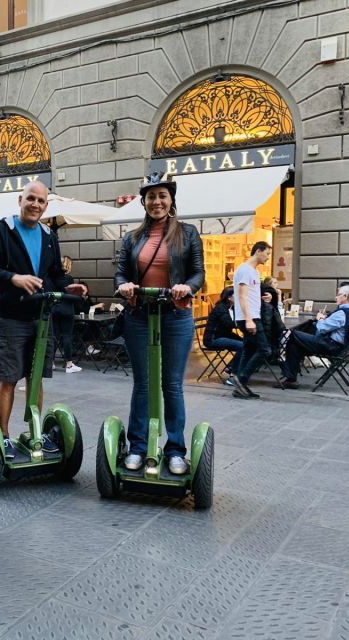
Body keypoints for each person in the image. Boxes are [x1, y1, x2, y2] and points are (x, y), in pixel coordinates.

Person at [0, 180, 87, 460]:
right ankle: (2, 437)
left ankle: (35, 433)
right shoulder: (3, 230)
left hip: (42, 317)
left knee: (35, 378)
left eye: (41, 201)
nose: (35, 205)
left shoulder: (49, 234)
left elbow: (54, 274)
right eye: (31, 199)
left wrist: (69, 286)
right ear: (20, 200)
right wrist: (13, 278)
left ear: (46, 205)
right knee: (8, 378)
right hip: (12, 317)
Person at [114, 172, 204, 474]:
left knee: (172, 385)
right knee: (142, 384)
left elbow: (197, 273)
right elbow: (120, 272)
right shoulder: (132, 237)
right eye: (151, 197)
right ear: (144, 201)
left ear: (171, 199)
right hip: (140, 315)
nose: (157, 201)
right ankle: (138, 446)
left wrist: (187, 287)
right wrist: (124, 285)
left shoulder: (188, 233)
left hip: (176, 315)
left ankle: (175, 449)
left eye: (162, 196)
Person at [279, 284, 349, 388]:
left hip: (330, 346)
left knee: (294, 334)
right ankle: (290, 379)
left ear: (346, 296)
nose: (336, 297)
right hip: (341, 347)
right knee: (295, 344)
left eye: (338, 295)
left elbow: (321, 328)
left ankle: (286, 370)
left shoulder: (342, 313)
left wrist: (320, 319)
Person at [229, 241, 272, 400]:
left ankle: (241, 388)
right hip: (250, 317)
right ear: (259, 251)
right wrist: (248, 319)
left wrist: (263, 297)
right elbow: (242, 296)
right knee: (264, 350)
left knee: (249, 349)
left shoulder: (252, 271)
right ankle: (241, 379)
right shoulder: (245, 270)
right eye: (267, 253)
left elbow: (249, 294)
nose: (267, 258)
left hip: (252, 315)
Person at [203, 286, 242, 383]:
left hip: (224, 335)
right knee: (243, 346)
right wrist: (245, 322)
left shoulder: (231, 308)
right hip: (213, 339)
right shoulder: (221, 308)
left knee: (249, 344)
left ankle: (231, 369)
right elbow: (229, 323)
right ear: (229, 297)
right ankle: (232, 375)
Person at [50, 256, 82, 373]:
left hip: (54, 309)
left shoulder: (52, 279)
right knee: (67, 336)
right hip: (67, 309)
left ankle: (51, 362)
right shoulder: (69, 279)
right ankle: (69, 364)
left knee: (54, 336)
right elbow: (71, 294)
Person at [260, 283, 285, 364]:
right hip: (273, 338)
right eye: (274, 282)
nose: (276, 284)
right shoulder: (271, 306)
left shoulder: (267, 307)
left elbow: (267, 326)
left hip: (267, 339)